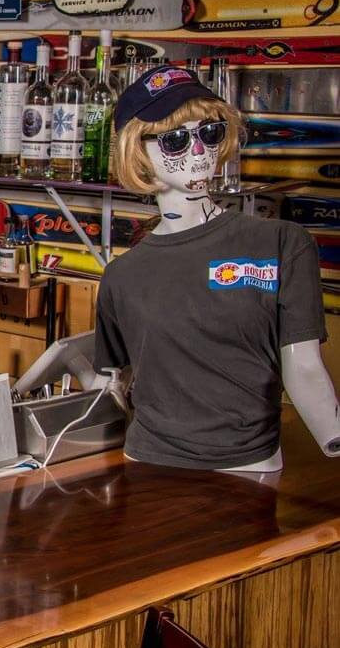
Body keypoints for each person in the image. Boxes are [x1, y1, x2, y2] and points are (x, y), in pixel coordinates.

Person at [96, 65, 339, 472]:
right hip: (147, 466)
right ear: (137, 152)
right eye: (175, 140)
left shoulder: (280, 243)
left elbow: (304, 368)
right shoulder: (122, 276)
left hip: (249, 465)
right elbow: (110, 381)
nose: (198, 151)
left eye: (209, 132)